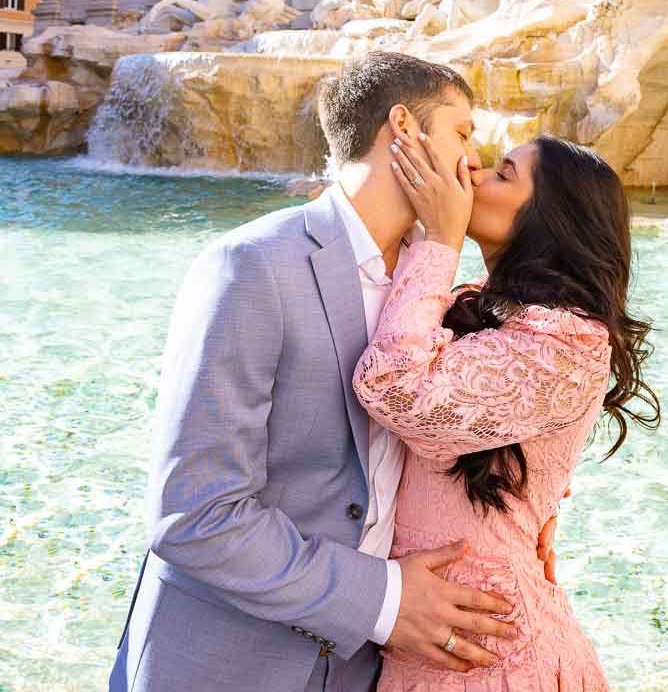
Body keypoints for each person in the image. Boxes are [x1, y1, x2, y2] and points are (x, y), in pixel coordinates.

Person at [109, 52, 559, 692]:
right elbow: (195, 515)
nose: (474, 162)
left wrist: (534, 504)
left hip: (363, 670)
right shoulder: (252, 266)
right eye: (462, 133)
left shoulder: (436, 285)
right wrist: (385, 603)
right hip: (226, 662)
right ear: (404, 128)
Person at [354, 131, 661, 689]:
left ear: (551, 219)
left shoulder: (568, 342)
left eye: (502, 173)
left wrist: (441, 241)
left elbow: (395, 387)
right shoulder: (479, 302)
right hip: (432, 627)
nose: (472, 173)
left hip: (492, 649)